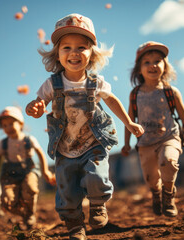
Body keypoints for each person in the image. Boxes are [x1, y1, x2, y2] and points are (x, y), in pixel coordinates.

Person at [26, 13, 144, 240]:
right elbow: (38, 104)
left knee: (96, 177)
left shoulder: (96, 82)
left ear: (91, 53)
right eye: (66, 47)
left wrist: (128, 122)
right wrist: (35, 108)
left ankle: (98, 204)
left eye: (81, 47)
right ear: (57, 54)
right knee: (67, 192)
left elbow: (111, 100)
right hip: (65, 147)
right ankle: (75, 226)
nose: (74, 53)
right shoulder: (52, 84)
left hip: (93, 142)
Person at [121, 41, 184, 217]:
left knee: (169, 161)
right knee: (151, 180)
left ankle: (168, 195)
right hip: (145, 144)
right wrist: (127, 143)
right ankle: (157, 194)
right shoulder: (135, 94)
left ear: (165, 66)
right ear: (139, 69)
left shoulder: (170, 92)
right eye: (147, 62)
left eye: (157, 61)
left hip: (169, 137)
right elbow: (129, 120)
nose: (153, 65)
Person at [0, 106, 55, 229]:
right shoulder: (3, 143)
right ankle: (23, 213)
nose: (8, 128)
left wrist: (45, 170)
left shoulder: (29, 139)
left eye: (11, 124)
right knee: (7, 202)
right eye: (4, 126)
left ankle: (30, 213)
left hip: (28, 171)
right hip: (10, 174)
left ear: (20, 123)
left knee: (30, 188)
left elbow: (40, 153)